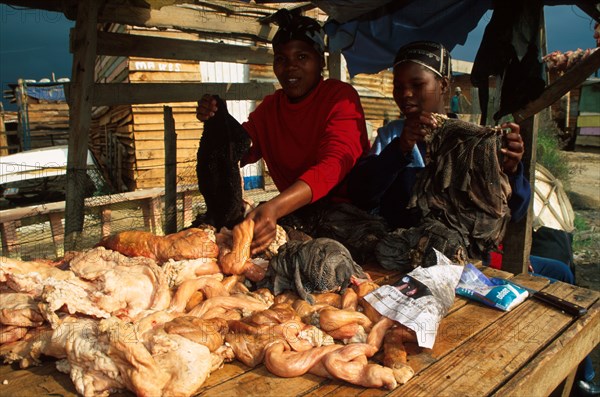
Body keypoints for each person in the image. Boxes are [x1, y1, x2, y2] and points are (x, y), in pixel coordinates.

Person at [348, 40, 597, 395]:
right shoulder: (391, 136)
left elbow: (518, 210)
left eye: (417, 85)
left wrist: (512, 170)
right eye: (398, 86)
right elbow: (363, 194)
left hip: (472, 260)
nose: (406, 95)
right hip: (416, 261)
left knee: (560, 271)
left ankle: (580, 379)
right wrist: (399, 149)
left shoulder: (476, 140)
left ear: (444, 87)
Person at [195, 9, 370, 255]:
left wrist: (275, 208)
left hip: (350, 218)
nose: (290, 68)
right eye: (281, 59)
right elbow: (241, 149)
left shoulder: (339, 98)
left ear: (320, 60)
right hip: (298, 215)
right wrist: (216, 121)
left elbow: (333, 165)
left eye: (301, 57)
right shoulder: (270, 109)